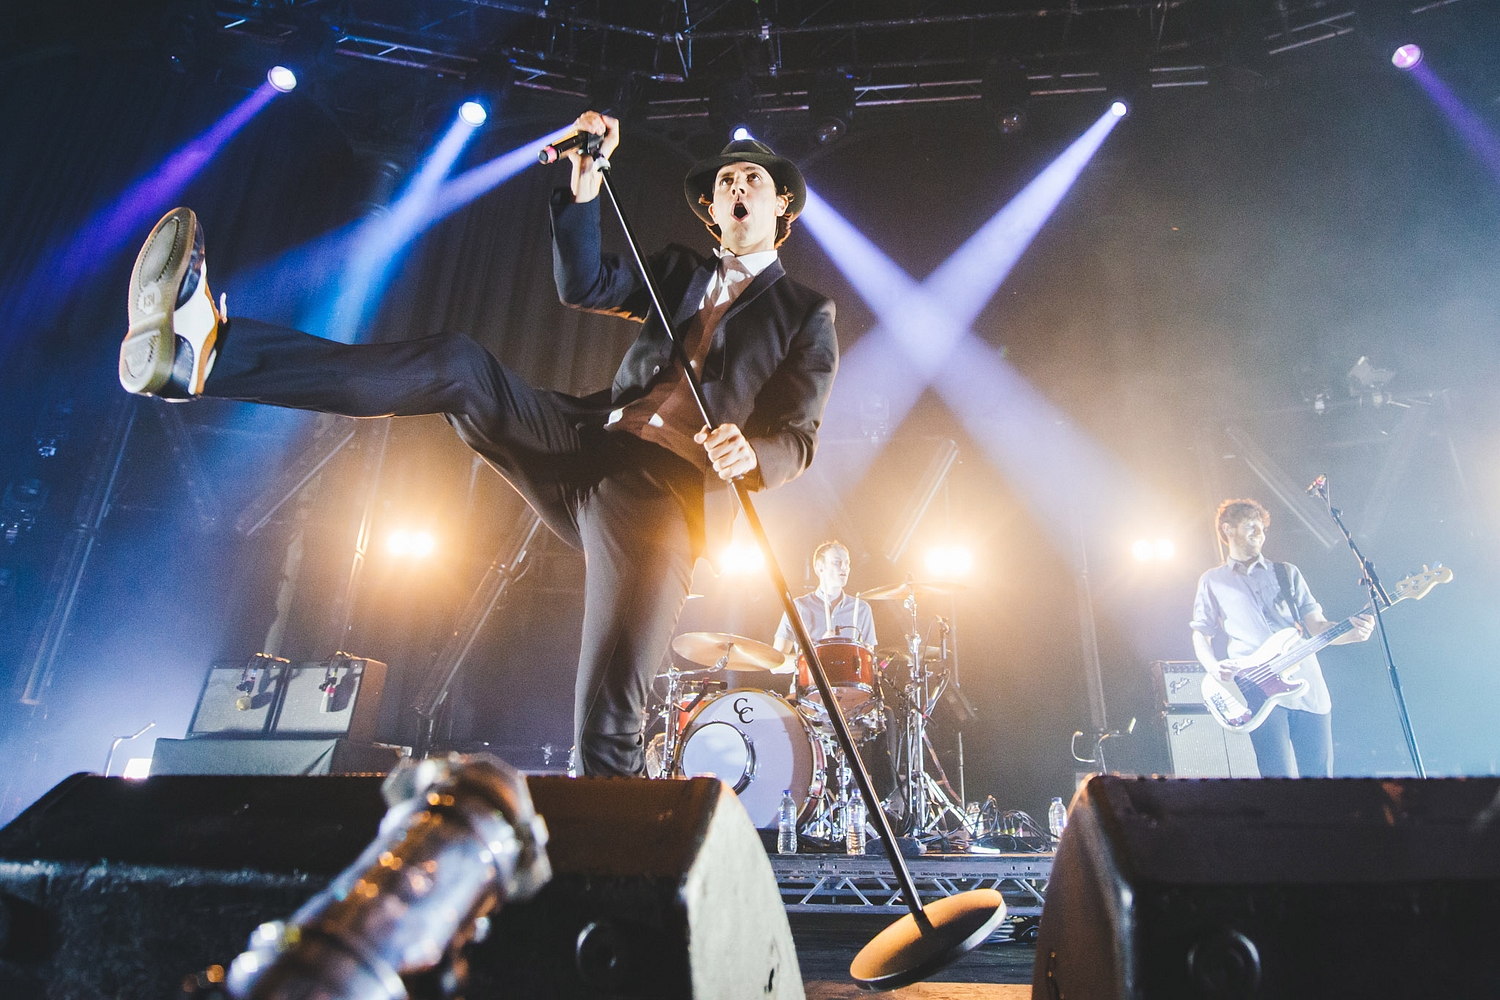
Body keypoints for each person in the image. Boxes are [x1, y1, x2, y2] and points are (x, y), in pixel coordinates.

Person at [116, 110, 838, 777]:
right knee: (459, 367)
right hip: (583, 442)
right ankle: (206, 354)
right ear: (713, 212)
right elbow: (583, 282)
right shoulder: (679, 269)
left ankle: (607, 884)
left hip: (661, 499)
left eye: (754, 180)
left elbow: (798, 439)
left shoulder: (806, 313)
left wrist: (753, 454)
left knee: (611, 720)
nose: (737, 185)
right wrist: (583, 190)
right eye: (726, 180)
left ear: (783, 209)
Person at [1190, 498, 1374, 777]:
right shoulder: (1213, 580)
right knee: (1277, 777)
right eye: (1251, 526)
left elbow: (1318, 626)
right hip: (1255, 687)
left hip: (1307, 683)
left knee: (1320, 777)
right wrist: (1214, 667)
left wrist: (1353, 634)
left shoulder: (1287, 573)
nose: (1259, 533)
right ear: (1228, 530)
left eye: (1262, 528)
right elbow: (1200, 634)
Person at [772, 540, 876, 655]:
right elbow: (777, 664)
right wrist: (817, 652)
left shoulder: (861, 608)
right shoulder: (798, 607)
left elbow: (868, 660)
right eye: (837, 562)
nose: (844, 567)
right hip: (810, 673)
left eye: (847, 563)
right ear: (819, 568)